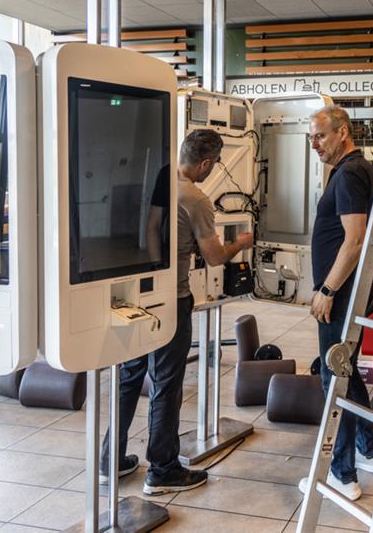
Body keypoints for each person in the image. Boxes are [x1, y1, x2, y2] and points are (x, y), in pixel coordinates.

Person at [101, 129, 253, 496]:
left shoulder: (160, 177)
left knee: (130, 377)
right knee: (166, 385)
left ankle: (110, 460)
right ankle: (163, 470)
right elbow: (215, 257)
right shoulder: (197, 199)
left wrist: (157, 272)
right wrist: (240, 242)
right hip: (175, 299)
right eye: (215, 164)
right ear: (206, 163)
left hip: (139, 295)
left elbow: (152, 228)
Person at [298, 105, 373, 502]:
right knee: (345, 370)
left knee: (335, 376)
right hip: (351, 289)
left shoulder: (348, 173)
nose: (314, 144)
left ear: (342, 132)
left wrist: (328, 290)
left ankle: (342, 475)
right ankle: (369, 450)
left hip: (343, 292)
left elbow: (354, 240)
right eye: (311, 137)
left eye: (320, 136)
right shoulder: (354, 168)